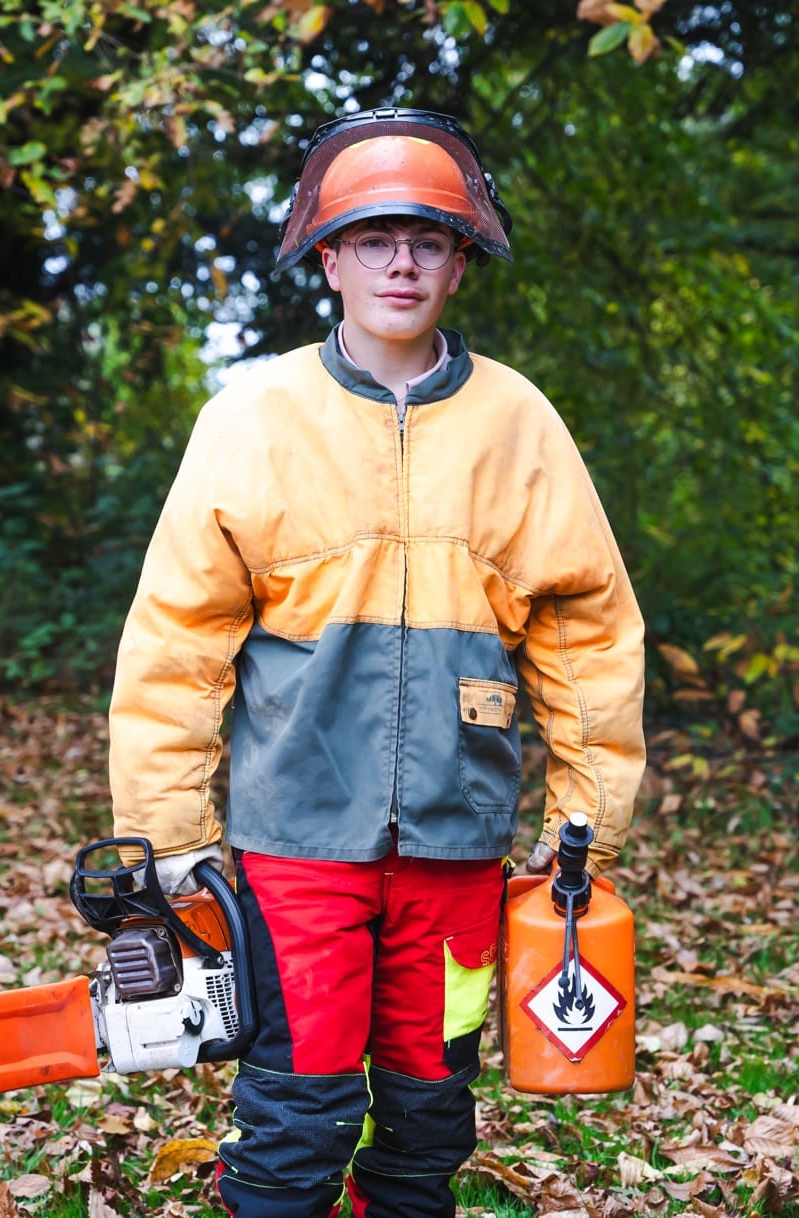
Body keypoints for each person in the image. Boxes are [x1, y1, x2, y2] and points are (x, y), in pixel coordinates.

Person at [108, 108, 646, 1218]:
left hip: (458, 844)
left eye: (427, 240)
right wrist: (167, 836)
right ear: (327, 259)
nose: (401, 263)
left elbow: (584, 630)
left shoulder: (519, 422)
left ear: (460, 262)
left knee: (427, 1110)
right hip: (296, 844)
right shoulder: (253, 418)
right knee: (295, 1109)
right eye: (372, 239)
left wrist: (583, 825)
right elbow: (176, 641)